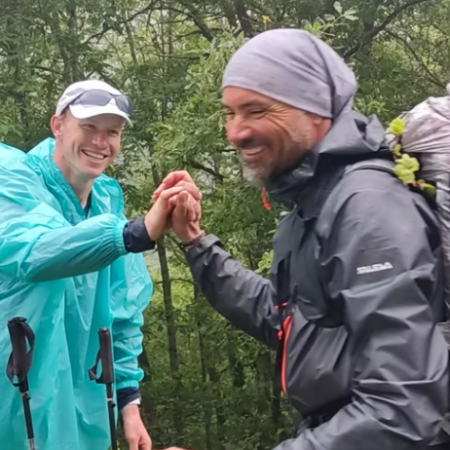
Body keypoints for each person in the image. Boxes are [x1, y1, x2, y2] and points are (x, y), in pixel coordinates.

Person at [154, 29, 450, 449]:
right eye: (230, 113)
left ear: (314, 109)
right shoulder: (316, 200)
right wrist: (196, 243)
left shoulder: (367, 208)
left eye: (256, 110)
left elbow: (403, 409)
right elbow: (289, 322)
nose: (235, 132)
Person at [0, 79, 200, 450]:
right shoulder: (13, 182)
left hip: (87, 414)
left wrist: (129, 404)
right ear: (58, 126)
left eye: (112, 132)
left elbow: (122, 311)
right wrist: (134, 233)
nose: (100, 142)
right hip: (13, 410)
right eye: (89, 127)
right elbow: (35, 250)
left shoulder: (107, 202)